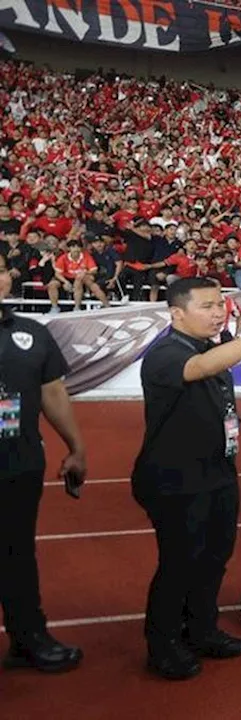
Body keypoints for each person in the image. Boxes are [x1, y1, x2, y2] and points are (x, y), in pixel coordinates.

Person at [131, 277, 241, 680]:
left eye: (220, 304)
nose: (218, 311)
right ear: (176, 313)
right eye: (206, 306)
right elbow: (203, 368)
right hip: (174, 479)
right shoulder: (166, 353)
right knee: (179, 564)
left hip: (217, 474)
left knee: (214, 559)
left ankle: (202, 629)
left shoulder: (210, 346)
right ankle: (163, 644)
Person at [1, 254, 88, 673]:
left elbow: (52, 392)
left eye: (0, 269)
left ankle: (28, 637)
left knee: (17, 553)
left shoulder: (30, 332)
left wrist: (76, 447)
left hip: (19, 463)